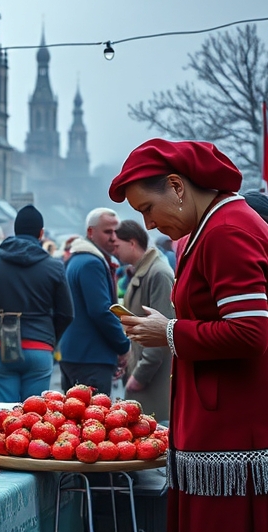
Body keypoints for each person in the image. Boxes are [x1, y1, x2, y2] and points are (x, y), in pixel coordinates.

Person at [109, 139, 268, 530]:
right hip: (218, 424)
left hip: (230, 427)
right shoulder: (216, 226)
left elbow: (250, 332)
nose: (147, 224)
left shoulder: (226, 231)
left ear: (177, 187)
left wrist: (168, 331)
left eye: (147, 208)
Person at [0, 205, 73, 402]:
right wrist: (49, 338)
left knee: (5, 416)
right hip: (40, 346)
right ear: (41, 233)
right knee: (33, 416)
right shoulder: (54, 267)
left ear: (15, 231)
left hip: (2, 345)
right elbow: (67, 313)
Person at [57, 208, 130, 395]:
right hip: (91, 358)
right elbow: (101, 311)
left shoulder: (77, 259)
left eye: (116, 232)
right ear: (91, 232)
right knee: (92, 420)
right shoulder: (92, 263)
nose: (114, 237)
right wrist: (123, 345)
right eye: (108, 232)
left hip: (75, 354)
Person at [114, 219, 172, 422]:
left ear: (132, 242)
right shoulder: (143, 271)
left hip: (152, 379)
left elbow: (163, 332)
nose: (115, 251)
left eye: (117, 245)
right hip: (141, 371)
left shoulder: (158, 274)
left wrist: (140, 376)